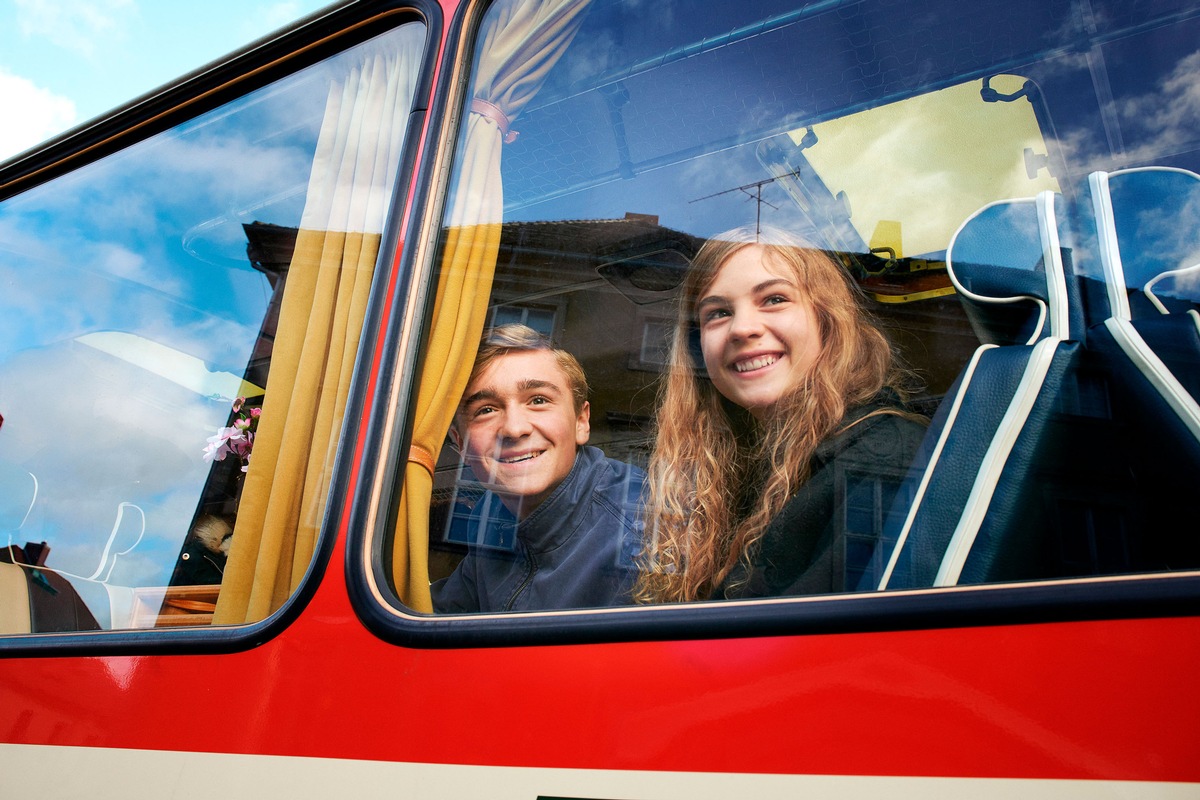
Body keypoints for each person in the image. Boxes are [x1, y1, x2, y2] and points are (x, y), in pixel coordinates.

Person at [636, 226, 926, 603]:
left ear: (826, 318)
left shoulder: (881, 461)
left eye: (774, 299)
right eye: (718, 313)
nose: (742, 328)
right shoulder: (733, 470)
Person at [432, 324, 644, 613]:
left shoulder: (640, 523)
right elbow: (452, 611)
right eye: (486, 410)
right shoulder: (490, 513)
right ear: (461, 444)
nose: (514, 428)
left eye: (538, 400)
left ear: (581, 422)